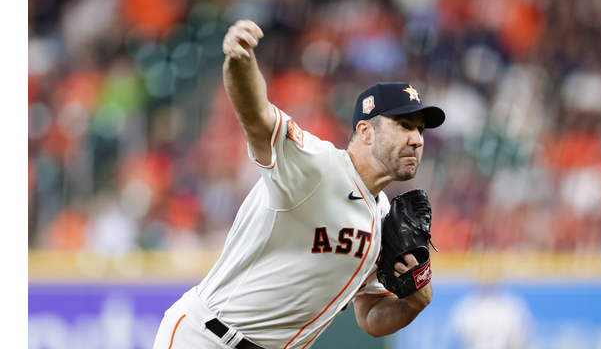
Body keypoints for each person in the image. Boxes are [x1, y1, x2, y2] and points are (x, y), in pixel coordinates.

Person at [153, 20, 446, 349]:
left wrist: (412, 302)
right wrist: (240, 61)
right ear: (365, 131)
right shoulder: (317, 165)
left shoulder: (384, 218)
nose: (416, 139)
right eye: (404, 125)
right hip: (209, 338)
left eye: (420, 130)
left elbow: (370, 317)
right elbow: (256, 117)